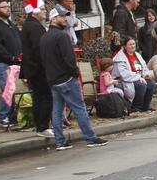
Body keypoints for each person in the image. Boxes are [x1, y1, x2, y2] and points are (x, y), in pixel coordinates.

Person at [40, 8, 107, 150]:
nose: (65, 19)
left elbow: (43, 59)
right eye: (62, 16)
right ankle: (90, 138)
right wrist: (75, 73)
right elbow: (69, 58)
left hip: (53, 79)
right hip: (66, 78)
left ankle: (60, 141)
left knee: (57, 110)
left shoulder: (44, 37)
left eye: (65, 16)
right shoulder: (62, 36)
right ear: (53, 19)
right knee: (79, 108)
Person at [20, 0, 53, 137]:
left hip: (33, 68)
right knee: (45, 97)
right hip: (39, 69)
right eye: (43, 9)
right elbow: (40, 49)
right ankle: (42, 126)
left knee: (39, 97)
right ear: (35, 11)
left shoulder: (29, 25)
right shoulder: (35, 27)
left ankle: (40, 125)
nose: (45, 12)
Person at [0, 0, 22, 127]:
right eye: (4, 7)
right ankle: (3, 116)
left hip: (16, 62)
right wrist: (10, 57)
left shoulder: (11, 24)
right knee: (7, 89)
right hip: (3, 63)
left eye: (8, 6)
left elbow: (19, 39)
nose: (8, 8)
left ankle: (12, 115)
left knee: (15, 89)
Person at [111, 36, 155, 113]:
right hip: (124, 80)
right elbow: (124, 74)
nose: (133, 46)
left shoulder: (137, 55)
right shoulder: (120, 58)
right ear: (124, 46)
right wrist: (138, 77)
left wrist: (146, 74)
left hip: (139, 78)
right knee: (141, 85)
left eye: (134, 44)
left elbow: (144, 67)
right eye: (130, 44)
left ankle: (145, 107)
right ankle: (136, 107)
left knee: (151, 84)